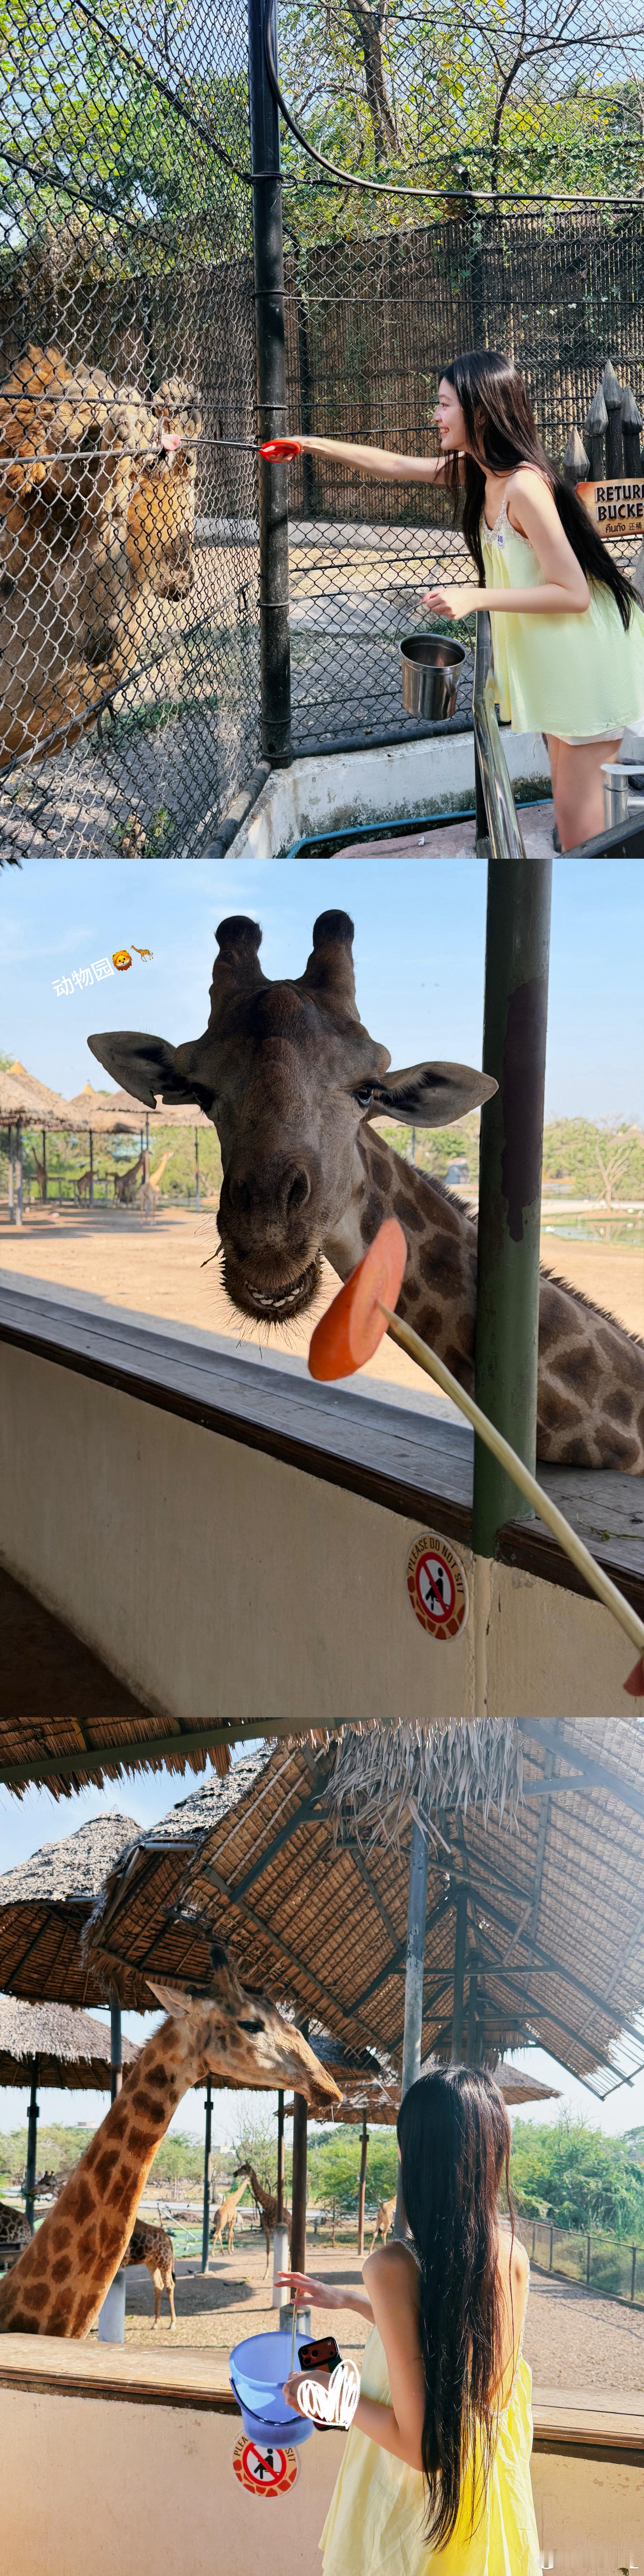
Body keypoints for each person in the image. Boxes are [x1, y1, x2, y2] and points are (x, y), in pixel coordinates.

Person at [278, 348, 644, 850]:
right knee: (573, 825)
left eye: (445, 404)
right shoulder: (483, 474)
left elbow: (575, 593)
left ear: (481, 412)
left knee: (583, 838)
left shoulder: (524, 487)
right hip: (559, 670)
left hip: (586, 669)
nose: (436, 415)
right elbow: (394, 466)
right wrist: (308, 444)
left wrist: (475, 598)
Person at [279, 2065, 540, 2573]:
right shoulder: (512, 2256)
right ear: (493, 2153)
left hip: (410, 2526)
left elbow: (423, 2449)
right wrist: (350, 2301)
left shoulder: (393, 2266)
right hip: (486, 2517)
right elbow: (451, 2344)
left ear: (415, 2156)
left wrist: (330, 2396)